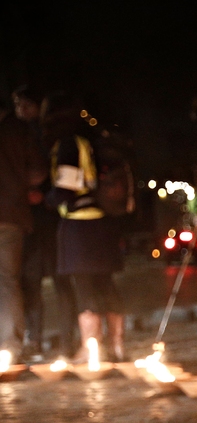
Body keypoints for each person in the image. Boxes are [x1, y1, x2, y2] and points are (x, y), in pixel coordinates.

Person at [42, 93, 129, 362]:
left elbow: (66, 188)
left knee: (85, 286)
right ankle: (117, 346)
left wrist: (46, 199)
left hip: (79, 227)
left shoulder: (69, 144)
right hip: (104, 223)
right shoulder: (94, 141)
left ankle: (91, 349)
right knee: (106, 284)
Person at [13, 86, 73, 360]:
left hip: (51, 219)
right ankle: (34, 339)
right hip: (31, 221)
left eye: (25, 105)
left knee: (61, 280)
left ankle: (68, 339)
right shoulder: (19, 134)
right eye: (17, 105)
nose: (20, 111)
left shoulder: (47, 135)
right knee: (30, 282)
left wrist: (45, 196)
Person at [0, 87, 45, 357]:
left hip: (11, 214)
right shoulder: (19, 130)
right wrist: (19, 185)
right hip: (11, 216)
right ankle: (9, 346)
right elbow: (38, 172)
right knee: (7, 280)